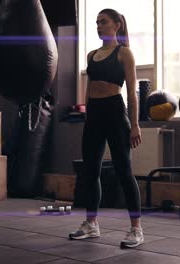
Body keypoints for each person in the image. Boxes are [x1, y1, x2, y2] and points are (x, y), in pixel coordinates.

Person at [68, 8, 144, 248]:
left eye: (104, 22)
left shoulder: (124, 53)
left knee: (124, 171)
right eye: (97, 23)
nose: (99, 26)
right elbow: (89, 90)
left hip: (114, 112)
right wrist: (88, 117)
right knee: (91, 172)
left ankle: (136, 229)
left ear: (117, 25)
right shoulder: (91, 55)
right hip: (95, 117)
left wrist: (135, 125)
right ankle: (91, 224)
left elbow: (132, 93)